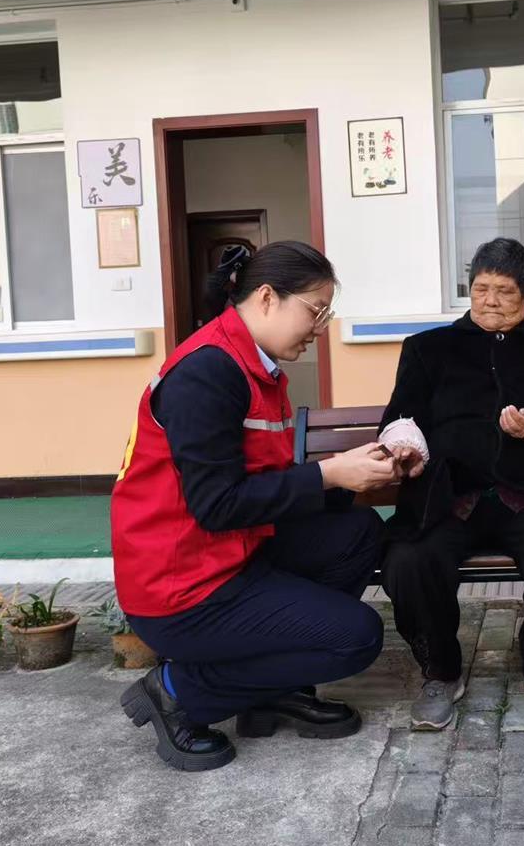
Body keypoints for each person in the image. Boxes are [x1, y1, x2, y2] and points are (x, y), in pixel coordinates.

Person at [111, 241, 397, 772]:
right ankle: (175, 691)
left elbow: (266, 483)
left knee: (357, 532)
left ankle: (271, 691)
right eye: (315, 311)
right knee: (356, 638)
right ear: (267, 297)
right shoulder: (208, 372)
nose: (319, 328)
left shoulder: (254, 367)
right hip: (182, 588)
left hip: (231, 554)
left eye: (326, 315)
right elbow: (217, 505)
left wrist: (357, 474)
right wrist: (329, 473)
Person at [377, 238, 524, 730]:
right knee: (408, 559)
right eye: (481, 289)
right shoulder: (428, 349)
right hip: (448, 497)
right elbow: (401, 417)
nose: (489, 301)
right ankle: (440, 670)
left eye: (504, 291)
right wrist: (405, 445)